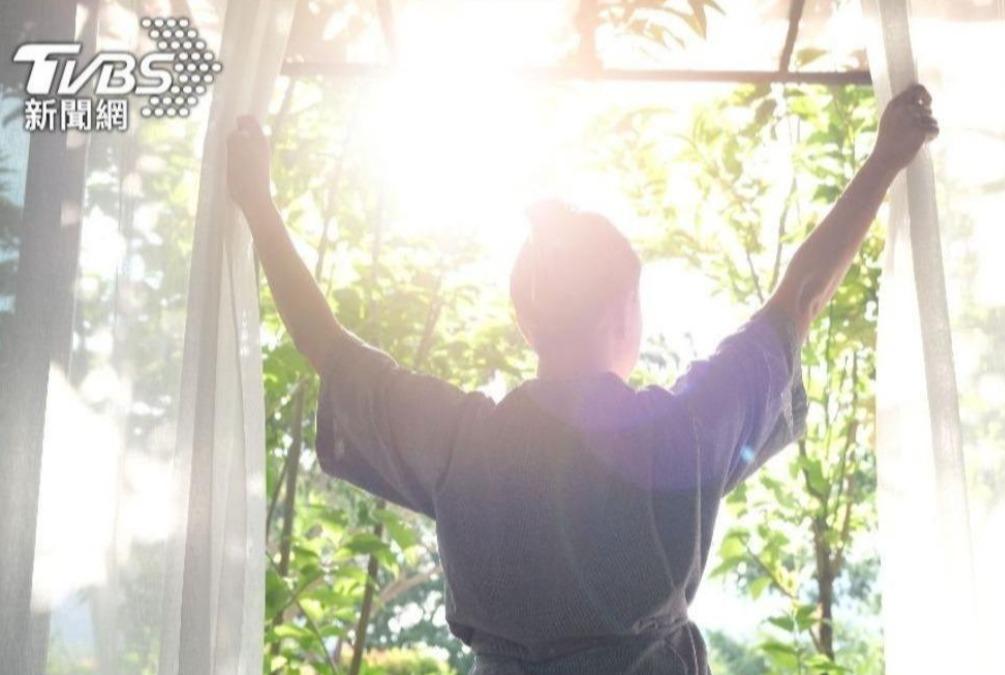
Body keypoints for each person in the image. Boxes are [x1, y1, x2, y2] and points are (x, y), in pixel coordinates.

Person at [227, 84, 937, 675]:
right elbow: (800, 298)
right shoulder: (681, 435)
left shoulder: (461, 443)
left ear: (524, 316)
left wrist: (258, 202)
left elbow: (328, 345)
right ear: (625, 308)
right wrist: (883, 160)